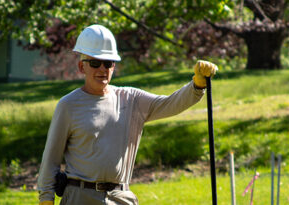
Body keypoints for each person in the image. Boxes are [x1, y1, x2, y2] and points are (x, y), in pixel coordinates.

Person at [37, 24, 218, 205]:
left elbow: (170, 104)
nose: (102, 69)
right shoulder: (68, 105)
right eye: (95, 63)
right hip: (79, 197)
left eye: (108, 63)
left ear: (114, 67)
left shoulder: (131, 99)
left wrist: (197, 85)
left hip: (120, 198)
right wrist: (46, 199)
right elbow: (50, 159)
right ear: (81, 67)